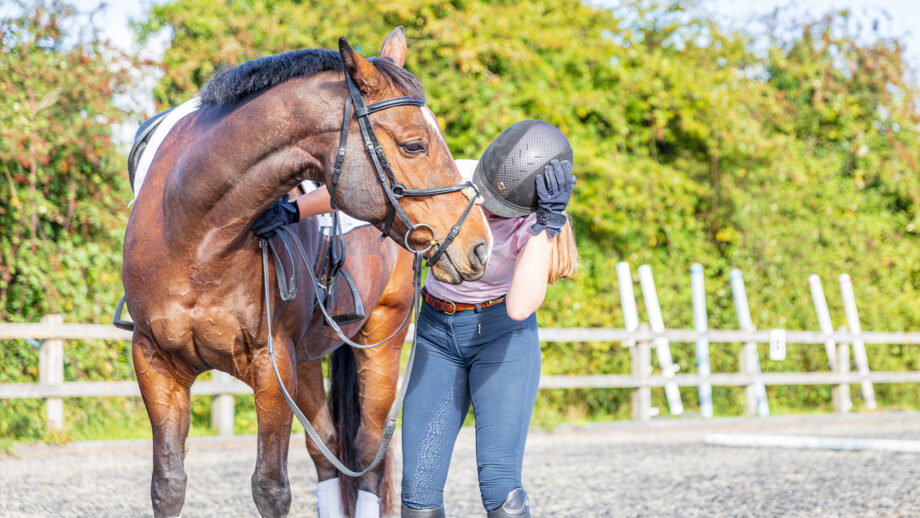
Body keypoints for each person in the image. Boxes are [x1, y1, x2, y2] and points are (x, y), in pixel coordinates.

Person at [251, 120, 578, 518]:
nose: (486, 210)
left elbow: (520, 307)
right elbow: (368, 191)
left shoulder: (536, 223)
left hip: (502, 341)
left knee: (500, 488)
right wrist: (294, 210)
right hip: (439, 335)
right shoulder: (457, 177)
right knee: (418, 494)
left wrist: (548, 225)